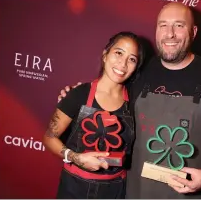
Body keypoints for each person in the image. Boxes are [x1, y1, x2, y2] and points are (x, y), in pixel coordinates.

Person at [58, 2, 201, 199]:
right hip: (134, 191)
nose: (169, 33)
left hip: (188, 193)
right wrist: (74, 95)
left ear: (193, 31)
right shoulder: (138, 69)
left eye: (179, 25)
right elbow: (106, 93)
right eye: (163, 25)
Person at [43, 31, 144, 199]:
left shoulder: (135, 102)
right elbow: (49, 137)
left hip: (115, 190)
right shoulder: (79, 94)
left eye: (132, 59)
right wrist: (75, 158)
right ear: (105, 55)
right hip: (74, 188)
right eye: (118, 53)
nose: (123, 63)